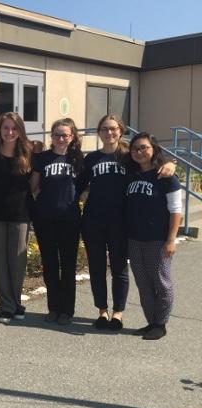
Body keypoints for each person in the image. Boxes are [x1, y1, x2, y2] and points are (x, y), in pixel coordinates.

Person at [77, 115, 175, 331]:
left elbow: (153, 162)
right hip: (93, 221)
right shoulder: (91, 158)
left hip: (121, 223)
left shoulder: (128, 157)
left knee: (119, 269)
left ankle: (118, 313)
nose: (109, 133)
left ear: (120, 131)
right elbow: (78, 185)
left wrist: (170, 164)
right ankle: (102, 311)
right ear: (99, 132)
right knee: (96, 267)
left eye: (113, 129)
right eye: (104, 129)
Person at [125, 133, 181, 340]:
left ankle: (161, 324)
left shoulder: (166, 177)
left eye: (144, 148)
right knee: (143, 283)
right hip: (134, 239)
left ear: (153, 149)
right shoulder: (132, 175)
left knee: (161, 282)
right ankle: (151, 322)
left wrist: (171, 239)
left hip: (157, 240)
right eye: (135, 149)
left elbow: (176, 210)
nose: (139, 152)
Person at [30, 118, 83, 325]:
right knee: (50, 264)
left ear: (72, 137)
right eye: (57, 135)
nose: (61, 139)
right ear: (51, 136)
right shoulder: (42, 158)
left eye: (65, 135)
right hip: (45, 219)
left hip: (69, 220)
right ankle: (53, 308)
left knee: (68, 266)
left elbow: (84, 188)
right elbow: (33, 187)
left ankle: (67, 311)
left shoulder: (78, 159)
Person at [0, 112, 33, 324]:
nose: (10, 132)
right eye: (6, 128)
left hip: (20, 215)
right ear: (0, 130)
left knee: (17, 261)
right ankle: (5, 306)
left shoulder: (29, 153)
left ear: (20, 131)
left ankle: (16, 302)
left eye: (14, 128)